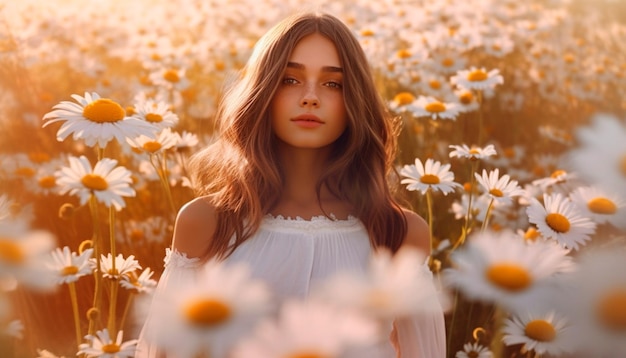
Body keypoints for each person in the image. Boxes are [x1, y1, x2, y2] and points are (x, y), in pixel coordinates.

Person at [137, 11, 446, 357]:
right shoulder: (205, 222)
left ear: (355, 100)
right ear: (263, 92)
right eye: (289, 79)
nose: (310, 97)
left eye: (333, 84)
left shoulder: (401, 233)